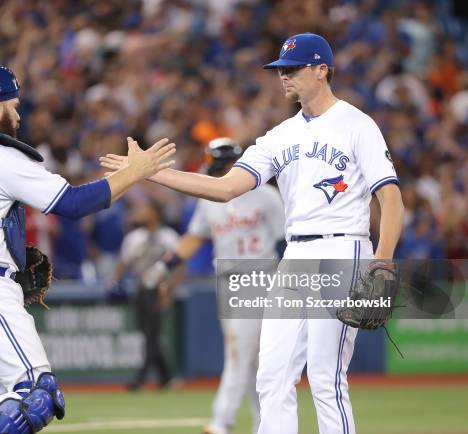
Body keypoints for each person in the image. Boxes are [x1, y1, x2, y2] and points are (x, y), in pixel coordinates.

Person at [101, 33, 404, 434]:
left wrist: (382, 260)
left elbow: (392, 199)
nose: (284, 77)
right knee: (272, 374)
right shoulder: (282, 134)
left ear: (321, 70)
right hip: (295, 255)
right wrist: (152, 172)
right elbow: (225, 188)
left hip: (343, 246)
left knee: (325, 379)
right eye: (281, 70)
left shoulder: (356, 124)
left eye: (292, 69)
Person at [0, 65, 175, 434]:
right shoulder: (0, 157)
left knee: (1, 404)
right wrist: (135, 171)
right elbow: (73, 204)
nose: (18, 113)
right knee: (36, 396)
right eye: (14, 105)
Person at [142, 137, 285, 434]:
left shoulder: (265, 195)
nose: (215, 172)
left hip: (262, 277)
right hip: (229, 281)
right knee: (250, 358)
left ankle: (222, 422)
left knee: (240, 353)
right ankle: (265, 424)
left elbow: (287, 239)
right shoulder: (209, 199)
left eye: (218, 166)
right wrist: (163, 266)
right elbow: (195, 237)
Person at [111, 200, 179, 390]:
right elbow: (124, 263)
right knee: (149, 335)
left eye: (144, 208)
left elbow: (178, 267)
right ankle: (167, 377)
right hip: (141, 289)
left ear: (155, 213)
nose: (139, 212)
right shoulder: (134, 237)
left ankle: (140, 379)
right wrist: (114, 280)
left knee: (152, 335)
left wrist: (169, 290)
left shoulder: (168, 236)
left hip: (159, 289)